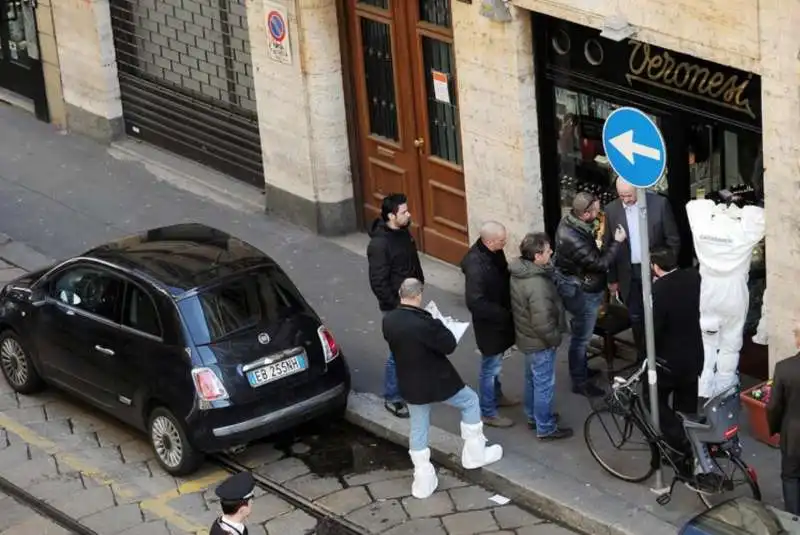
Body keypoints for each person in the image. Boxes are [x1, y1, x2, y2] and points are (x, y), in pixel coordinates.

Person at [383, 278, 503, 500]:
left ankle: (423, 478)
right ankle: (474, 453)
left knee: (419, 426)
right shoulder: (426, 323)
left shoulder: (389, 320)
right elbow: (448, 345)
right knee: (470, 401)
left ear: (401, 293)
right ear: (418, 295)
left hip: (410, 382)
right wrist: (441, 325)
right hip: (436, 379)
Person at [686, 196, 766, 404]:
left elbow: (693, 206)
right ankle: (725, 390)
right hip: (734, 293)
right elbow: (761, 216)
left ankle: (704, 389)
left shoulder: (702, 224)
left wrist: (718, 209)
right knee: (730, 344)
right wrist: (736, 212)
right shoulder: (743, 229)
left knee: (707, 343)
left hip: (709, 292)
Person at [553, 192, 627, 397]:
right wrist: (617, 242)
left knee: (581, 334)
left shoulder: (571, 222)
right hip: (581, 290)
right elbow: (599, 264)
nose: (600, 211)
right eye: (595, 209)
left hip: (579, 283)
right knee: (582, 338)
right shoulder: (573, 238)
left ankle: (581, 370)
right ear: (585, 214)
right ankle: (579, 381)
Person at [604, 178, 681, 363]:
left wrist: (665, 269)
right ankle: (643, 359)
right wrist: (612, 279)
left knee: (660, 316)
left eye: (629, 195)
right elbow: (608, 245)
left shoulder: (660, 204)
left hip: (655, 271)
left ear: (639, 190)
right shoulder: (612, 209)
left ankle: (662, 357)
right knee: (636, 318)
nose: (625, 200)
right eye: (621, 196)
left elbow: (673, 241)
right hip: (628, 273)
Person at [509, 232, 573, 440]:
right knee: (544, 384)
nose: (551, 252)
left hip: (527, 338)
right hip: (540, 342)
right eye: (547, 250)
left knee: (532, 380)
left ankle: (533, 416)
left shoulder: (521, 272)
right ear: (537, 256)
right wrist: (555, 339)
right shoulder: (537, 284)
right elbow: (542, 321)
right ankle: (545, 426)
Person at [367, 193, 424, 419]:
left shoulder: (402, 232)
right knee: (397, 352)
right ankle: (392, 397)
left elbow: (411, 262)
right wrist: (398, 306)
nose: (409, 214)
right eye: (404, 212)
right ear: (391, 216)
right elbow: (378, 282)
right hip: (398, 307)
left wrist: (419, 286)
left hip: (412, 299)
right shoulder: (380, 245)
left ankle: (408, 386)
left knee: (412, 347)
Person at [460, 221, 518, 428]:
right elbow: (475, 302)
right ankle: (488, 412)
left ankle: (496, 395)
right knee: (490, 367)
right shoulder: (477, 266)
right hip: (490, 325)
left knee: (495, 364)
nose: (505, 243)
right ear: (490, 241)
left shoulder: (492, 253)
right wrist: (503, 314)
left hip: (498, 321)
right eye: (502, 240)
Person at [649, 246, 703, 456]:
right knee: (687, 406)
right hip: (693, 355)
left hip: (670, 361)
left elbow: (656, 327)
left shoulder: (660, 289)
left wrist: (647, 353)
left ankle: (677, 440)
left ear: (655, 267)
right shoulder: (693, 278)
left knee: (651, 397)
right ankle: (691, 442)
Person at [767, 326, 800, 515]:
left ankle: (794, 522)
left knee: (791, 477)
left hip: (793, 434)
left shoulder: (784, 368)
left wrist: (776, 427)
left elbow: (773, 406)